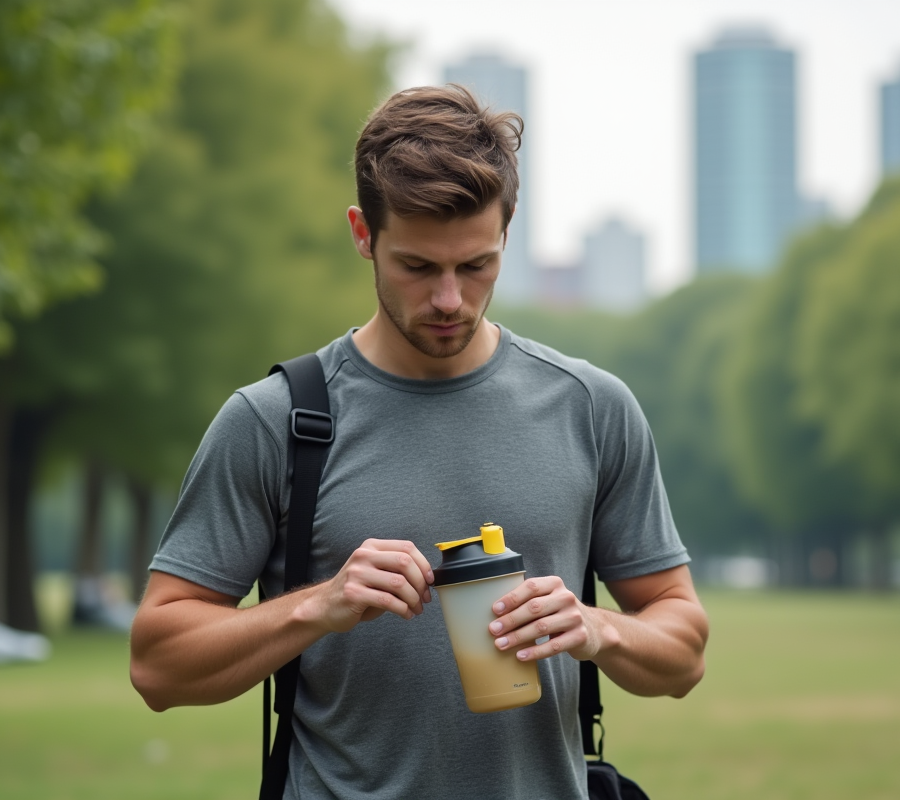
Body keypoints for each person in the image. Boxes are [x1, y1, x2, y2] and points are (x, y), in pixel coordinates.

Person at [129, 84, 709, 799]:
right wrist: (320, 605)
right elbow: (158, 666)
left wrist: (596, 629)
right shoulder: (274, 421)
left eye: (476, 266)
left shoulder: (591, 408)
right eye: (417, 266)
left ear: (508, 229)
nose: (448, 300)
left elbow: (683, 649)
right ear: (362, 234)